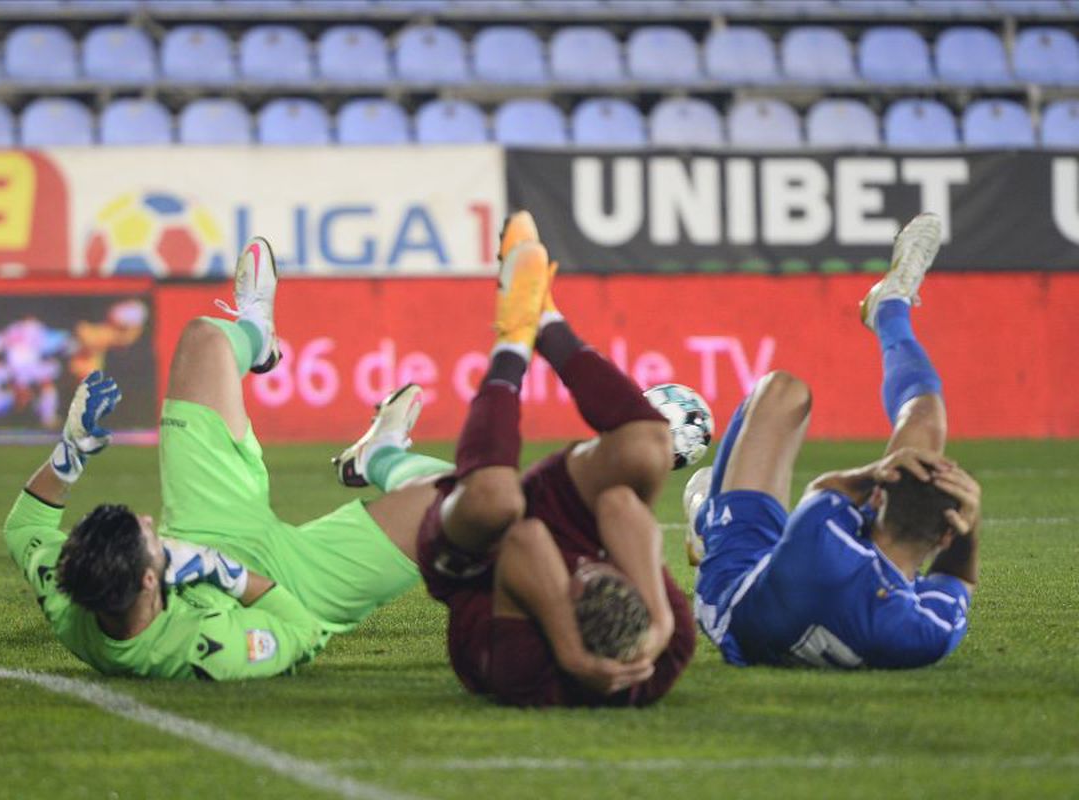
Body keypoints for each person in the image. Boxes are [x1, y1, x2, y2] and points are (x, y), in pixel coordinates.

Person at [3, 237, 439, 680]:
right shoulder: (205, 651)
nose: (151, 521)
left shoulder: (70, 588)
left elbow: (25, 527)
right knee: (453, 500)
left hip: (206, 522)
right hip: (293, 586)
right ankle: (381, 457)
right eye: (148, 536)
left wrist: (72, 451)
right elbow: (301, 630)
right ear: (150, 580)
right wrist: (226, 573)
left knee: (204, 339)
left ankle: (257, 333)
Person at [332, 211, 697, 707]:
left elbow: (524, 538)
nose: (588, 566)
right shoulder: (666, 651)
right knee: (649, 447)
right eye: (606, 572)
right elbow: (618, 505)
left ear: (566, 611)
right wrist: (661, 619)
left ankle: (513, 338)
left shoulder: (529, 671)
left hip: (483, 566)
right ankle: (547, 321)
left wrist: (571, 654)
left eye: (583, 578)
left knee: (493, 500)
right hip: (565, 532)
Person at [685, 212, 982, 669]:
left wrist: (872, 472)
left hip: (735, 592)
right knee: (926, 422)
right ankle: (891, 307)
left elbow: (825, 491)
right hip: (819, 587)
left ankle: (706, 518)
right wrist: (969, 524)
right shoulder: (925, 632)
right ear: (945, 534)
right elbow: (957, 579)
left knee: (783, 391)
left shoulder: (822, 537)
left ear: (878, 494)